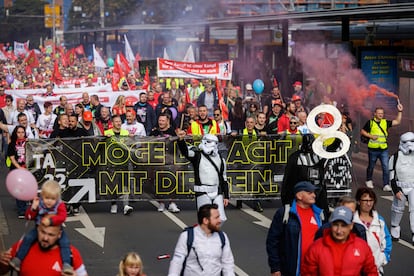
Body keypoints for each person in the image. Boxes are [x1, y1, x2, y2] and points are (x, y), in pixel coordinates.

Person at [9, 180, 73, 275]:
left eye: (52, 199)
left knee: (65, 243)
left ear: (57, 198)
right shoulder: (39, 203)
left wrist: (51, 221)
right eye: (47, 198)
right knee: (28, 239)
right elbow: (29, 216)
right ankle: (18, 259)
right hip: (39, 229)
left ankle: (66, 264)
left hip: (56, 230)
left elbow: (63, 217)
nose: (49, 201)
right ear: (42, 196)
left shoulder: (60, 205)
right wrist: (33, 208)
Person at [266, 181, 323, 276]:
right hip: (291, 270)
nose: (314, 195)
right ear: (299, 196)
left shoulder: (320, 214)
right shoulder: (285, 213)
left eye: (314, 192)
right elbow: (272, 241)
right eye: (310, 193)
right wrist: (275, 267)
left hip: (314, 269)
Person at [302, 206, 378, 276]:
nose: (339, 230)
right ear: (331, 224)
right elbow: (308, 273)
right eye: (336, 225)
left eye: (343, 225)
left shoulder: (362, 246)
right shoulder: (316, 247)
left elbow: (371, 272)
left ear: (351, 226)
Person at [168, 204, 235, 276]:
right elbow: (177, 261)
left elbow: (227, 264)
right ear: (205, 220)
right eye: (216, 218)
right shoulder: (187, 236)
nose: (220, 220)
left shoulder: (222, 237)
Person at [0, 221, 88, 276]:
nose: (45, 238)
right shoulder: (21, 248)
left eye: (51, 235)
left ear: (59, 234)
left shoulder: (71, 254)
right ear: (37, 229)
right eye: (42, 232)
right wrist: (1, 261)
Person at [177, 130, 230, 221]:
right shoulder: (197, 156)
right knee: (205, 219)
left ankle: (213, 234)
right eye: (209, 142)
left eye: (215, 143)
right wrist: (181, 140)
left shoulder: (220, 159)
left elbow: (223, 178)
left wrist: (226, 195)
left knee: (221, 218)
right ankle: (204, 234)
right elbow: (186, 152)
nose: (212, 145)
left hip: (217, 192)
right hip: (202, 192)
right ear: (204, 142)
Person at [281, 134, 328, 219]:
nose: (309, 146)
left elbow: (334, 149)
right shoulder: (295, 157)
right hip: (300, 196)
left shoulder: (319, 156)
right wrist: (286, 201)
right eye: (308, 144)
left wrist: (337, 135)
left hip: (318, 193)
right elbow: (288, 180)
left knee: (321, 220)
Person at [360, 104, 403, 191]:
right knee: (371, 166)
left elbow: (397, 121)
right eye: (379, 113)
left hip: (383, 149)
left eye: (382, 113)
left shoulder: (385, 122)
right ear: (375, 114)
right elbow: (362, 131)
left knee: (386, 167)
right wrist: (371, 136)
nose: (381, 115)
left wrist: (400, 111)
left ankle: (386, 184)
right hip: (373, 149)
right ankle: (369, 180)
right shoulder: (370, 122)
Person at [353, 187, 392, 274]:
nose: (368, 203)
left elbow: (387, 240)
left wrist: (383, 258)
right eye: (365, 200)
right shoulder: (352, 221)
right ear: (359, 202)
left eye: (371, 200)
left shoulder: (379, 220)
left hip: (375, 269)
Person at [150, 113, 180, 213]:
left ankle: (172, 203)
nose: (161, 122)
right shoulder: (154, 132)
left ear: (167, 121)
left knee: (173, 181)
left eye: (163, 121)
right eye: (160, 120)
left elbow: (177, 145)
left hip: (170, 161)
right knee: (159, 182)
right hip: (157, 162)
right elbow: (148, 145)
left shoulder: (172, 132)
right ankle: (161, 202)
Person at [389, 131, 414, 244]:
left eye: (412, 141)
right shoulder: (395, 157)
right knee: (398, 208)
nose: (409, 145)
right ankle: (395, 226)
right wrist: (396, 190)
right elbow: (392, 176)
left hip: (413, 186)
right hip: (400, 186)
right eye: (405, 142)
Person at [7, 125, 28, 218]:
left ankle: (24, 206)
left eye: (22, 132)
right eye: (18, 132)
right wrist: (19, 168)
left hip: (27, 169)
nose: (20, 134)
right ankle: (21, 210)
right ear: (15, 133)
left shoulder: (28, 143)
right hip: (16, 169)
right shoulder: (12, 144)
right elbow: (12, 158)